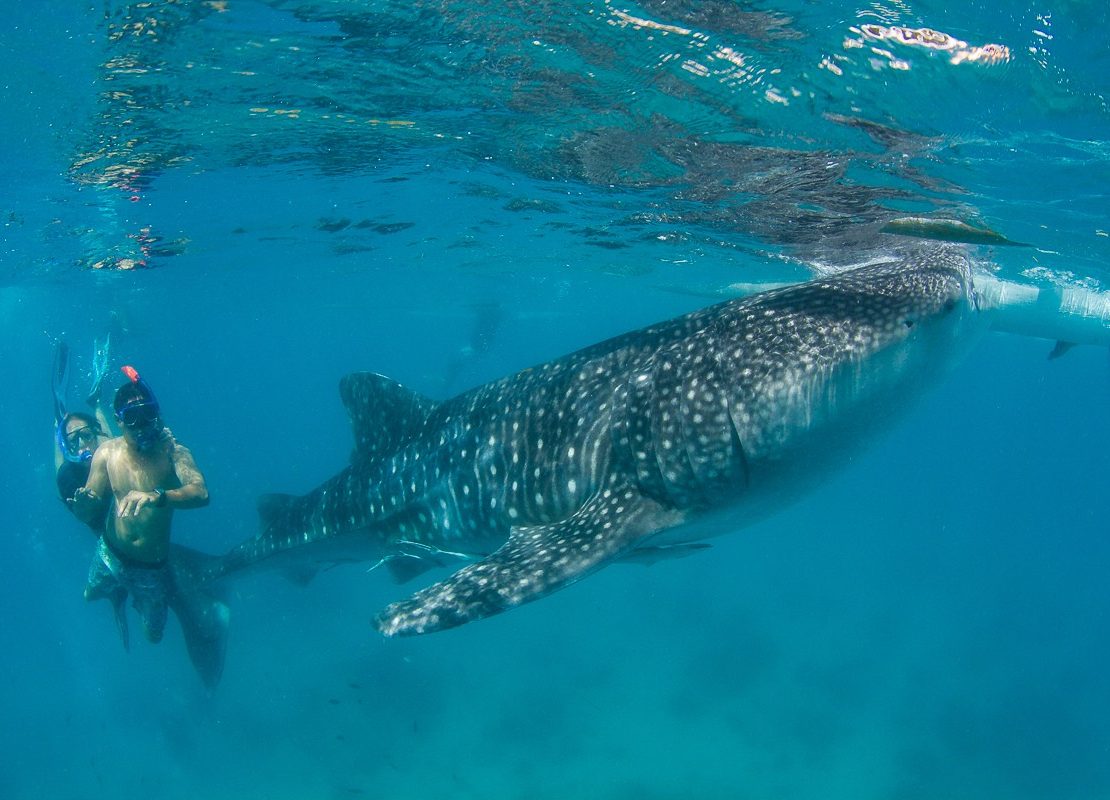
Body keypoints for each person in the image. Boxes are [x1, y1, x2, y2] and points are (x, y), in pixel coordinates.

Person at [69, 365, 228, 688]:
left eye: (148, 415)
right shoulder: (107, 453)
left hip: (150, 568)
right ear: (119, 422)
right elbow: (91, 505)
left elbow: (201, 493)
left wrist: (159, 496)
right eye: (133, 418)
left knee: (153, 636)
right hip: (110, 553)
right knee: (89, 594)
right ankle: (116, 593)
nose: (142, 426)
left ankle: (128, 595)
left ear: (158, 415)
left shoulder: (173, 453)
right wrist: (84, 506)